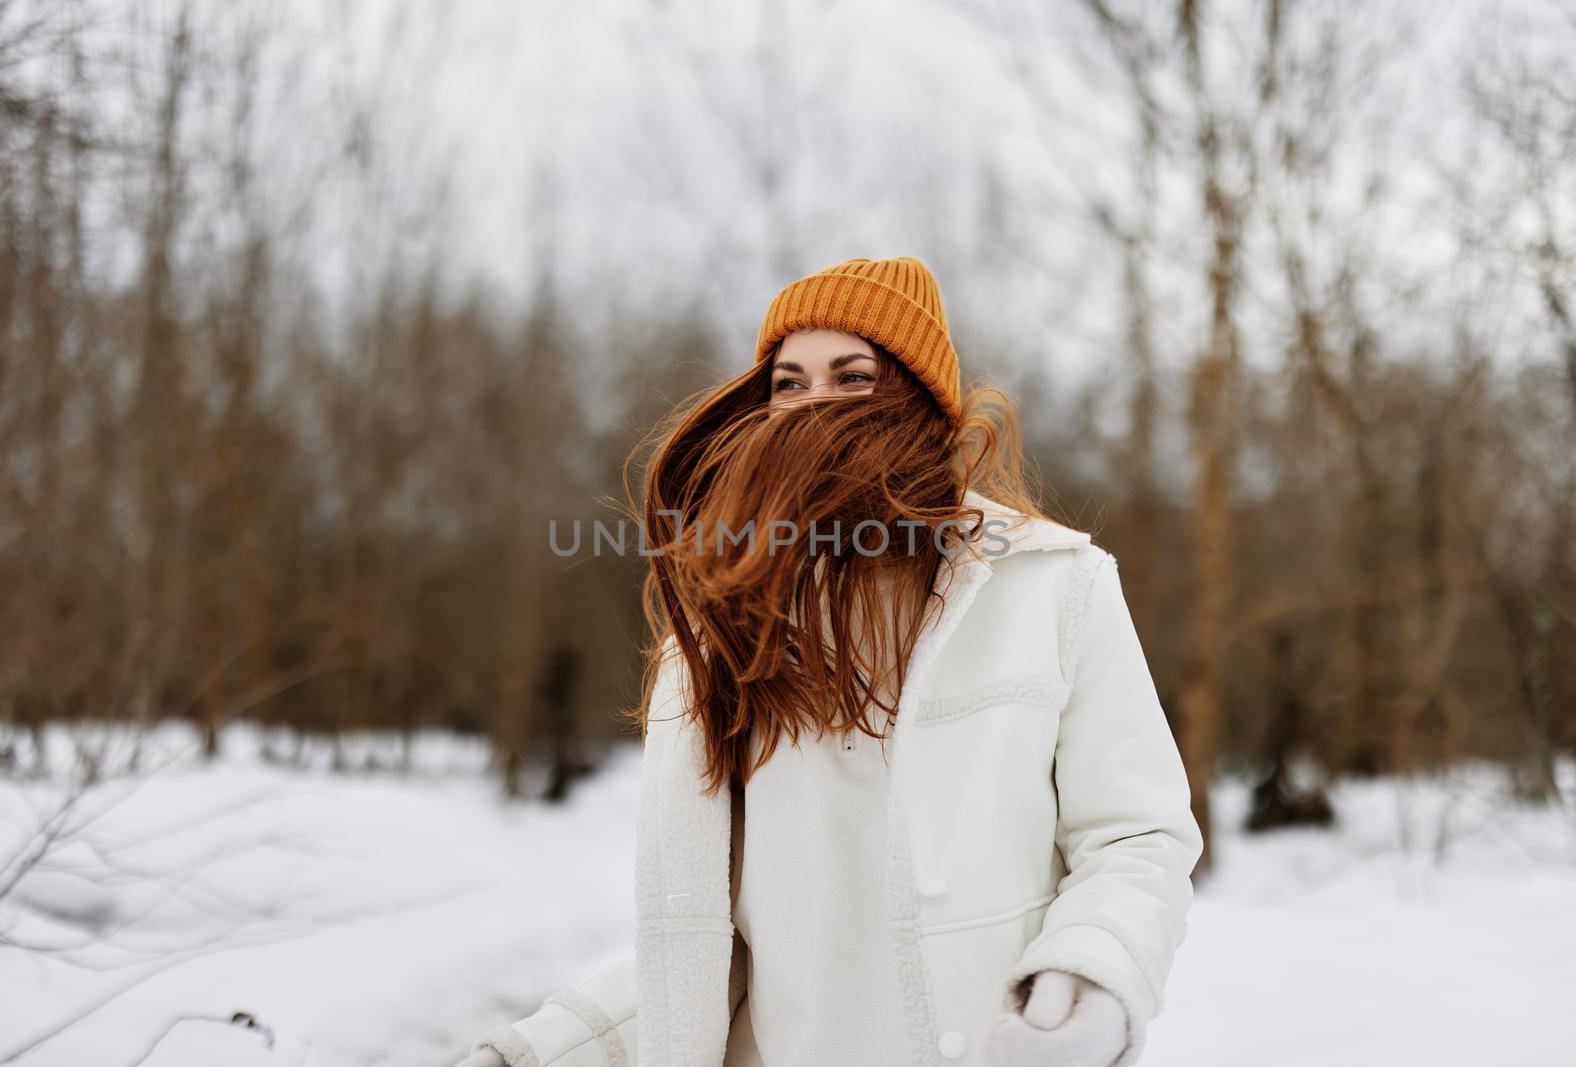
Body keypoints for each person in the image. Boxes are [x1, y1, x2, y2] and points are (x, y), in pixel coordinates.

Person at [458, 256, 1202, 1067]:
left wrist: (1089, 980)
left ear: (922, 403)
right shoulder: (721, 633)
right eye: (789, 382)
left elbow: (1138, 834)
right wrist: (541, 1052)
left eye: (853, 376)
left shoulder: (1057, 585)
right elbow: (708, 949)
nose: (816, 407)